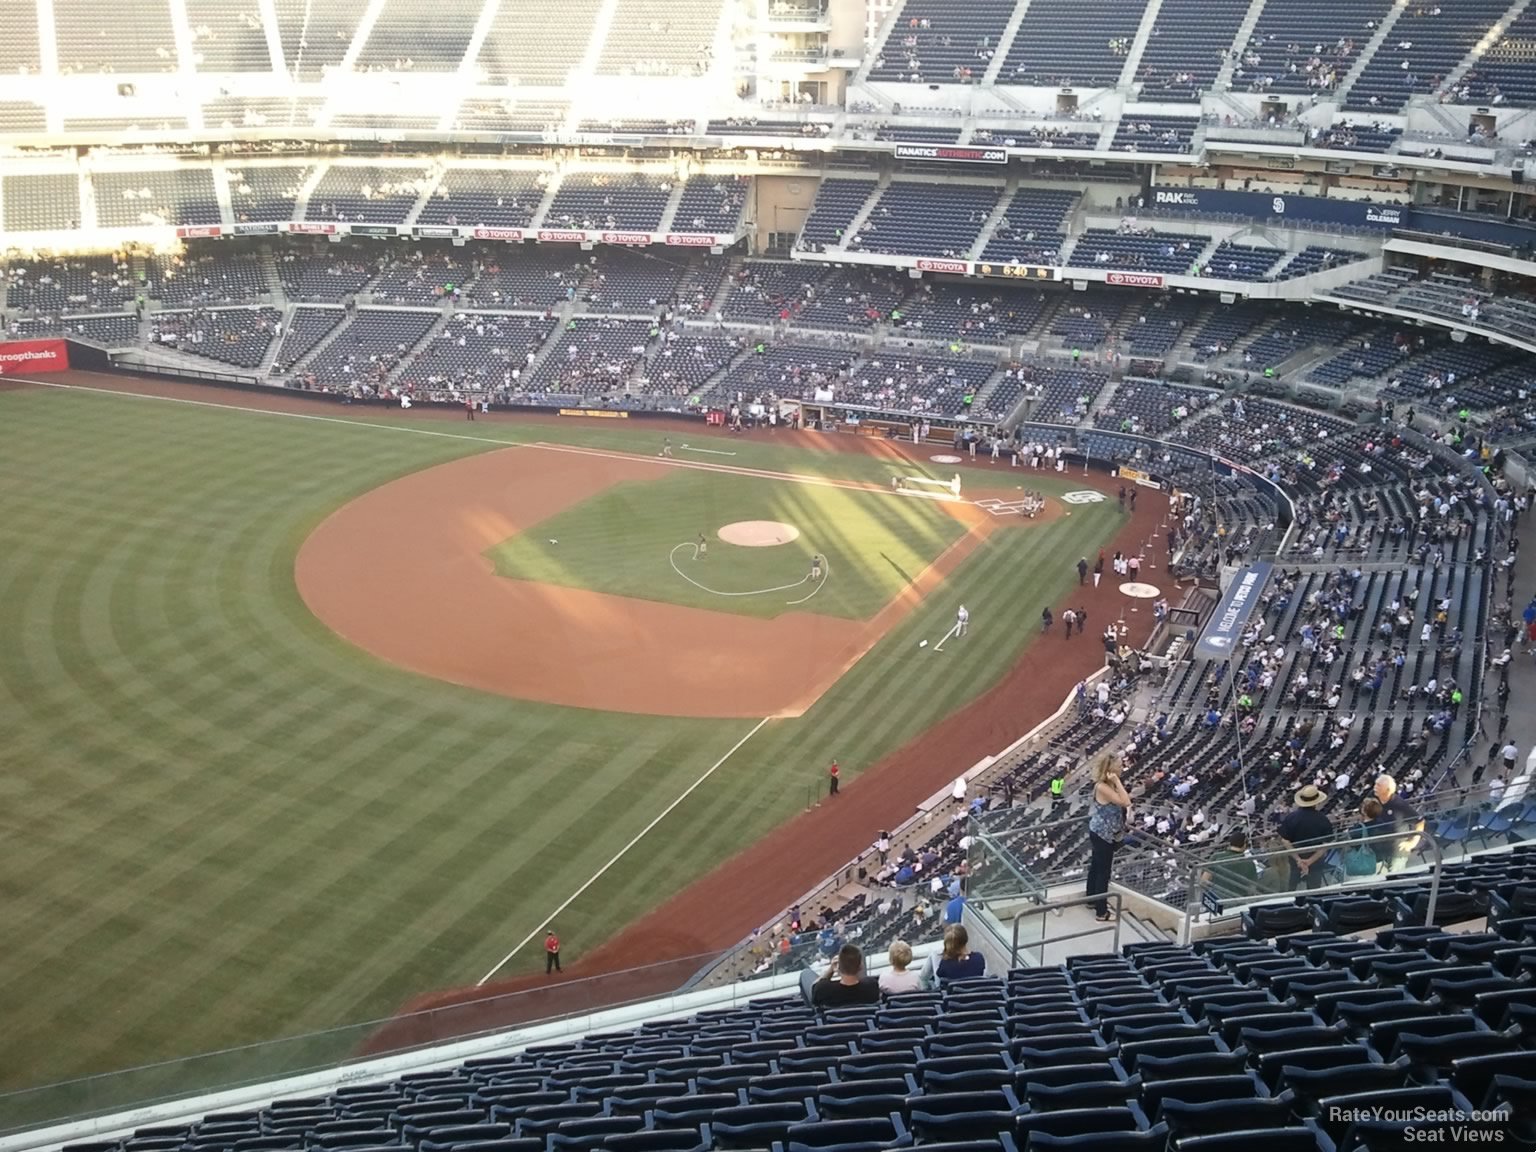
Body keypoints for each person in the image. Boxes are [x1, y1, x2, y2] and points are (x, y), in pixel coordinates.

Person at [1086, 755, 1131, 921]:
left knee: (1096, 867)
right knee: (1103, 872)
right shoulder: (1103, 787)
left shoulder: (1108, 785)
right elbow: (1126, 802)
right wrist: (1118, 781)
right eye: (1118, 766)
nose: (1121, 768)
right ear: (1110, 769)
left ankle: (1091, 900)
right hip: (1102, 834)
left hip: (1103, 833)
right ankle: (1101, 912)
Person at [1279, 785, 1334, 890]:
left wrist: (1298, 860)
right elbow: (1326, 844)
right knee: (1313, 891)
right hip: (1316, 863)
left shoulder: (1291, 818)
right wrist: (1309, 861)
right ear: (1316, 802)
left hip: (1294, 863)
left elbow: (1285, 840)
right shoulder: (1323, 819)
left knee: (1291, 890)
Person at [1373, 774, 1424, 870]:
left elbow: (1420, 821)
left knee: (1394, 878)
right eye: (1375, 784)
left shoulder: (1399, 804)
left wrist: (1413, 842)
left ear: (1387, 790)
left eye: (1378, 785)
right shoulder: (1376, 802)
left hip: (1398, 851)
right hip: (1382, 850)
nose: (1375, 787)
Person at [807, 943, 881, 1006]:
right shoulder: (872, 985)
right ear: (861, 967)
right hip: (864, 1022)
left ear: (838, 967)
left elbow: (813, 989)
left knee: (806, 974)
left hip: (833, 1023)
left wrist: (830, 970)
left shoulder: (823, 989)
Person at [1200, 829, 1259, 902]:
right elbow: (1251, 890)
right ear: (1244, 844)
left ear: (1230, 843)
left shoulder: (1216, 857)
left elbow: (1204, 881)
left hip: (1216, 900)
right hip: (1238, 903)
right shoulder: (1250, 863)